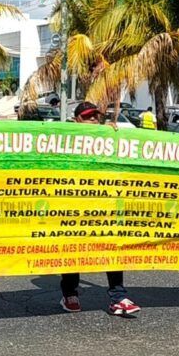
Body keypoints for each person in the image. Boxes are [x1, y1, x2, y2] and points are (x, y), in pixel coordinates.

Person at [59, 102, 142, 317]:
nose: (93, 120)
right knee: (73, 249)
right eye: (88, 117)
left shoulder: (107, 136)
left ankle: (118, 297)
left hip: (103, 205)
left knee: (113, 245)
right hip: (74, 206)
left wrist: (115, 137)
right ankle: (70, 294)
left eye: (96, 116)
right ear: (76, 120)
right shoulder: (65, 139)